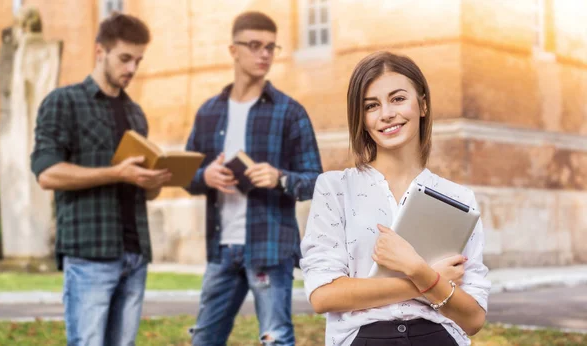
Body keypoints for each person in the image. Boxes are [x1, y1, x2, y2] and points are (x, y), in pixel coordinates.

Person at [300, 51, 490, 346]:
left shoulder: (458, 198)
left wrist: (418, 271)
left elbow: (474, 319)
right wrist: (426, 281)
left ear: (422, 104)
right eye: (371, 105)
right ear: (361, 119)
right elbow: (324, 295)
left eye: (398, 99)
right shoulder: (335, 188)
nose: (386, 113)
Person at [30, 13, 170, 346]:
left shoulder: (136, 113)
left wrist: (153, 182)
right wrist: (116, 172)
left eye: (138, 60)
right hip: (90, 253)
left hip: (135, 254)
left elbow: (144, 193)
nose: (132, 69)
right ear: (99, 52)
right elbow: (47, 173)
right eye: (125, 58)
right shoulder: (63, 102)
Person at [184, 11, 323, 346]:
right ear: (233, 50)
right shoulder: (209, 112)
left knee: (275, 339)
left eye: (271, 47)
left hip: (270, 248)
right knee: (204, 339)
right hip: (222, 249)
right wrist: (207, 175)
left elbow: (317, 181)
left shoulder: (289, 112)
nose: (264, 54)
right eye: (255, 45)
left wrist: (280, 178)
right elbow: (186, 175)